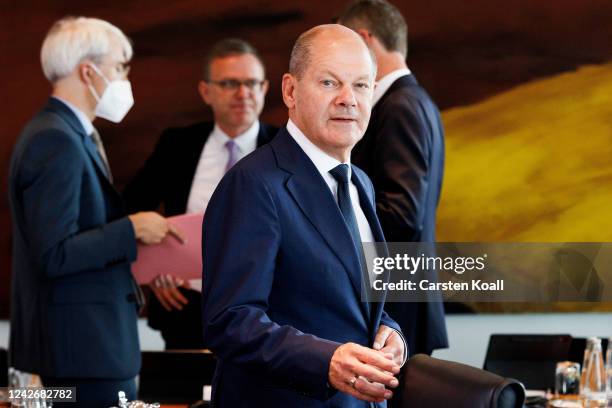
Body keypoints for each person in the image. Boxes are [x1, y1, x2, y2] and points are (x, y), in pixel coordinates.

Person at [201, 24, 406, 407]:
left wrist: (389, 332)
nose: (349, 99)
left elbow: (348, 300)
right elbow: (229, 321)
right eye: (330, 83)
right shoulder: (253, 184)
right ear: (290, 91)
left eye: (362, 86)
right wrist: (324, 360)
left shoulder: (360, 182)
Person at [8, 17, 180, 407]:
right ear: (88, 71)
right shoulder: (55, 138)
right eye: (120, 67)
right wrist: (132, 228)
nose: (125, 78)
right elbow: (54, 253)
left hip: (84, 350)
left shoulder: (65, 132)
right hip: (78, 356)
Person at [123, 38, 277, 349]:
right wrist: (154, 269)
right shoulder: (178, 145)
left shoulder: (285, 149)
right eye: (230, 83)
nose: (243, 93)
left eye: (252, 83)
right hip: (185, 309)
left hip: (266, 312)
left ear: (265, 88)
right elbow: (127, 211)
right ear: (206, 91)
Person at [338, 0, 449, 358]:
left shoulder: (399, 107)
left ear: (362, 39)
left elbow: (402, 214)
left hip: (397, 311)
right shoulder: (414, 102)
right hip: (401, 305)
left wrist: (331, 229)